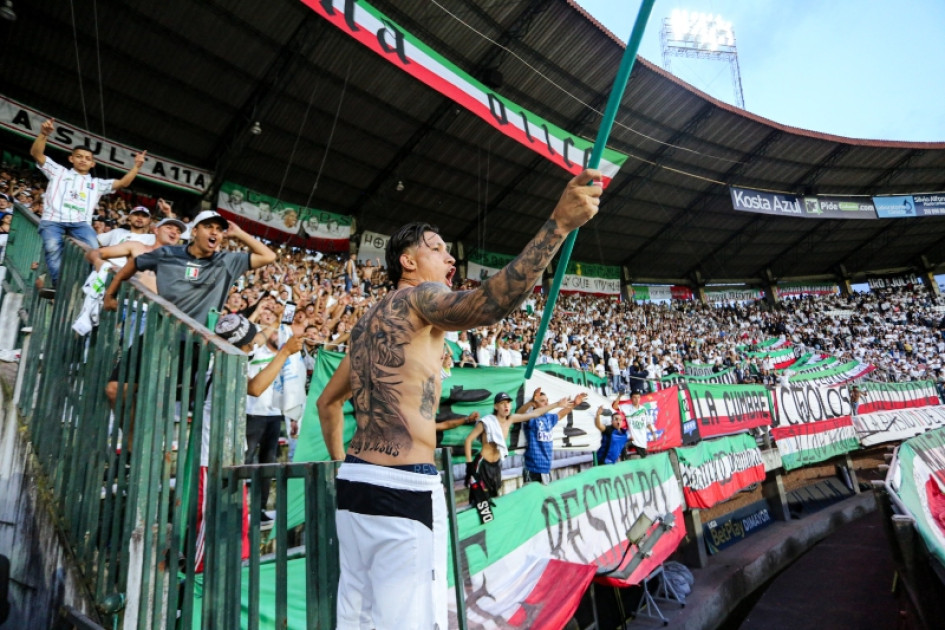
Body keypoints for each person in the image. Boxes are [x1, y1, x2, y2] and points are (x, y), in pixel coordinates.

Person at [316, 168, 602, 629]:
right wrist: (560, 225)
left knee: (358, 619)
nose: (449, 259)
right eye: (437, 248)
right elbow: (489, 304)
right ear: (407, 262)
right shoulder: (420, 297)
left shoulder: (366, 325)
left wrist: (337, 463)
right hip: (404, 489)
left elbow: (327, 404)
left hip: (354, 485)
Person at [30, 118, 147, 292]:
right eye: (79, 157)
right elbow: (37, 154)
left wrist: (137, 167)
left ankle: (86, 285)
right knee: (53, 248)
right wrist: (43, 135)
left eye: (87, 158)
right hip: (53, 220)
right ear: (71, 159)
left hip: (81, 225)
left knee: (94, 251)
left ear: (93, 163)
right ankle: (59, 287)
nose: (83, 160)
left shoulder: (96, 184)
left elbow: (123, 183)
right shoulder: (58, 171)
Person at [103, 210, 276, 327]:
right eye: (208, 227)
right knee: (116, 384)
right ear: (194, 232)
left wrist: (239, 233)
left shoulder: (228, 261)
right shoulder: (168, 253)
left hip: (194, 342)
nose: (215, 232)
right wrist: (110, 293)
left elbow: (269, 256)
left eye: (219, 229)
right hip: (159, 329)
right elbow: (134, 263)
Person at [464, 391, 568, 519]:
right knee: (480, 504)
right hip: (482, 464)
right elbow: (468, 440)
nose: (506, 406)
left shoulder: (510, 419)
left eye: (508, 403)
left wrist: (557, 404)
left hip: (496, 466)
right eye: (502, 403)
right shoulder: (486, 422)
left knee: (494, 500)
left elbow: (535, 413)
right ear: (496, 406)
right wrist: (469, 465)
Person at [518, 387, 588, 484]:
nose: (546, 403)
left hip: (545, 467)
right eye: (542, 401)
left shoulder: (548, 418)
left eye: (547, 401)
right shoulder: (532, 417)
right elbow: (518, 415)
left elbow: (560, 414)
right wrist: (531, 402)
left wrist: (574, 404)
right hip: (532, 467)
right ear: (535, 404)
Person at [594, 400, 629, 465]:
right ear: (612, 421)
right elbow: (599, 426)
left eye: (620, 419)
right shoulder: (609, 429)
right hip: (602, 461)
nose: (618, 421)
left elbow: (622, 447)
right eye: (616, 419)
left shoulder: (624, 434)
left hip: (613, 462)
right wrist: (598, 415)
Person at [624, 390, 656, 458]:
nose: (637, 399)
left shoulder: (643, 409)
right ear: (631, 399)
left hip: (641, 437)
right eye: (634, 397)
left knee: (643, 456)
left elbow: (648, 423)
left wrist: (653, 433)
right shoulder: (627, 408)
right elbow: (615, 407)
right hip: (631, 437)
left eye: (638, 397)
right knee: (623, 448)